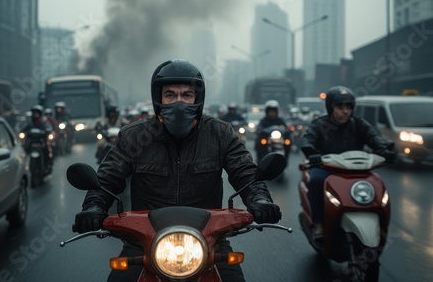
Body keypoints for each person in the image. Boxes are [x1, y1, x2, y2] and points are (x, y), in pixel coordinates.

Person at [74, 59, 282, 282]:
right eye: (171, 95)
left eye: (187, 95)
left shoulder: (221, 134)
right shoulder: (133, 136)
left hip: (210, 241)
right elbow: (107, 179)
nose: (179, 102)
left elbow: (246, 173)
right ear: (158, 100)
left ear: (197, 99)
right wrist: (94, 206)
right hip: (143, 243)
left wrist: (259, 200)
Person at [301, 86, 395, 244]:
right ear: (330, 107)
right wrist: (312, 153)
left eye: (349, 107)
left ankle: (380, 224)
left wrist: (384, 150)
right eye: (340, 107)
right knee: (316, 179)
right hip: (327, 169)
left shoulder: (358, 123)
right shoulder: (320, 125)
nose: (345, 111)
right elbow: (307, 141)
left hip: (358, 170)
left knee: (377, 181)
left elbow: (373, 137)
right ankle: (318, 224)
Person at [20, 105, 54, 172]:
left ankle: (47, 165)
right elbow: (23, 128)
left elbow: (49, 128)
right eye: (34, 113)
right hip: (32, 141)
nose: (35, 114)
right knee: (25, 150)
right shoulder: (29, 121)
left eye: (37, 113)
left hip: (41, 140)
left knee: (47, 151)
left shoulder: (43, 121)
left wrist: (47, 131)